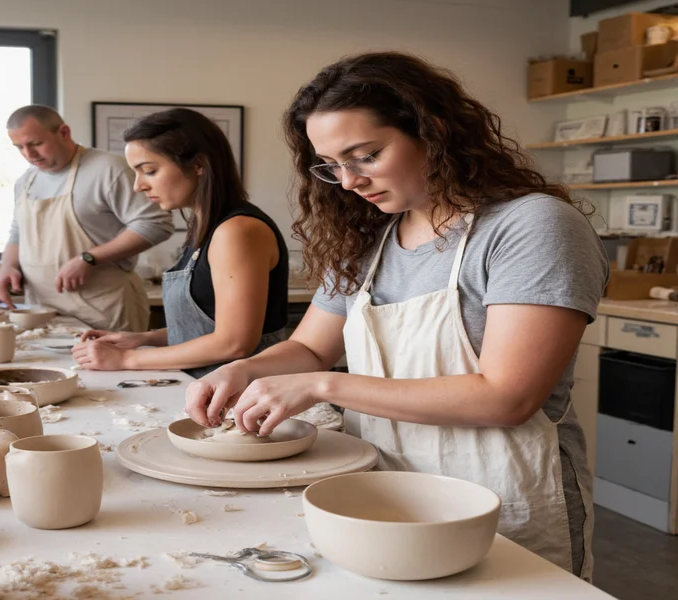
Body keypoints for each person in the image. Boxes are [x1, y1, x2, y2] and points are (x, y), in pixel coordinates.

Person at [185, 52, 609, 580]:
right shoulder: (371, 240)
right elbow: (313, 348)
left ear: (434, 132)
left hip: (501, 501)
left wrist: (322, 388)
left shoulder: (531, 228)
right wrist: (245, 369)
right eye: (332, 164)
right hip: (381, 491)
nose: (347, 181)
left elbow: (508, 396)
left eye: (366, 155)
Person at [71, 108, 289, 378]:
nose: (138, 185)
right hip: (210, 388)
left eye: (149, 171)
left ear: (198, 164)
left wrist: (127, 359)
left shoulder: (238, 230)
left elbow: (234, 342)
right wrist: (143, 339)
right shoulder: (206, 226)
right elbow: (207, 326)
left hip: (246, 395)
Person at [0, 105, 174, 331]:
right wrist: (5, 270)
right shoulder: (26, 181)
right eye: (19, 147)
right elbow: (17, 234)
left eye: (35, 143)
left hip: (103, 309)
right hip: (41, 310)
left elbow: (157, 223)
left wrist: (89, 258)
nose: (28, 154)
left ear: (64, 132)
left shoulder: (107, 169)